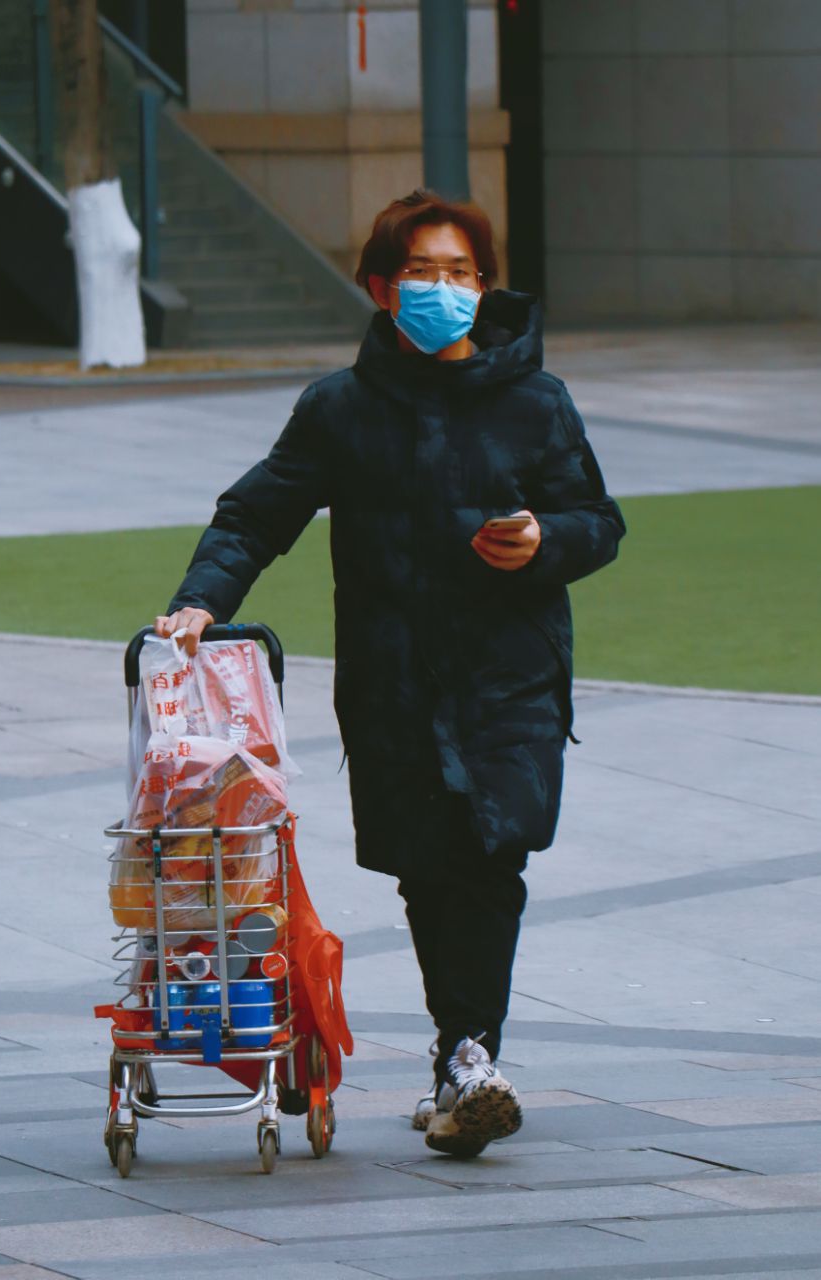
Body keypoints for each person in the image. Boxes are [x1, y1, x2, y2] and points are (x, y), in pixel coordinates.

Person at [156, 189, 625, 1158]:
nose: (443, 290)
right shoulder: (342, 409)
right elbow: (256, 513)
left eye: (461, 273)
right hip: (395, 680)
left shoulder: (538, 401)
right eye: (422, 273)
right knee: (428, 863)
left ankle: (467, 1051)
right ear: (380, 287)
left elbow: (598, 523)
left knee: (493, 855)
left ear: (485, 286)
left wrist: (542, 538)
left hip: (511, 678)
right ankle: (463, 1059)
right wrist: (202, 597)